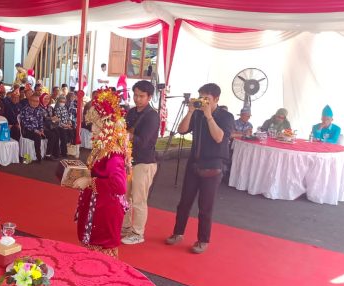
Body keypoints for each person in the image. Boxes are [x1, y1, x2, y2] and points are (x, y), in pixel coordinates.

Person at [166, 83, 234, 254]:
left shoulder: (226, 116)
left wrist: (209, 116)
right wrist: (190, 111)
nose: (203, 102)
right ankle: (177, 233)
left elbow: (219, 138)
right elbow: (181, 130)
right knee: (184, 203)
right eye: (201, 98)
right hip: (194, 163)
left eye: (207, 99)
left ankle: (203, 240)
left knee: (205, 206)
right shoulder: (196, 114)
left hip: (213, 166)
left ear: (216, 99)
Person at [72, 88, 131, 258]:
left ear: (106, 124)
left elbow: (120, 186)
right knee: (92, 250)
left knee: (102, 255)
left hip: (105, 210)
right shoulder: (103, 147)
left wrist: (90, 182)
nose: (93, 130)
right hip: (98, 205)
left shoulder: (113, 152)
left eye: (96, 125)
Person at [121, 81, 160, 245]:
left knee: (138, 199)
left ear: (149, 97)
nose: (137, 99)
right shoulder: (131, 112)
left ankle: (138, 232)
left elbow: (144, 141)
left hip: (144, 163)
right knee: (124, 197)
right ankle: (126, 227)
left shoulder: (152, 116)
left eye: (141, 96)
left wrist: (125, 135)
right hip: (129, 160)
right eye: (135, 95)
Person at [20, 94, 46, 163]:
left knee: (51, 133)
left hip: (37, 130)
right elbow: (25, 124)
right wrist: (36, 131)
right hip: (27, 131)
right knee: (37, 136)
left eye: (37, 101)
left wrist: (41, 130)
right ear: (29, 101)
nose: (35, 103)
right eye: (33, 101)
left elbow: (41, 122)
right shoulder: (25, 110)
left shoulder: (39, 110)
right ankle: (38, 156)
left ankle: (47, 154)